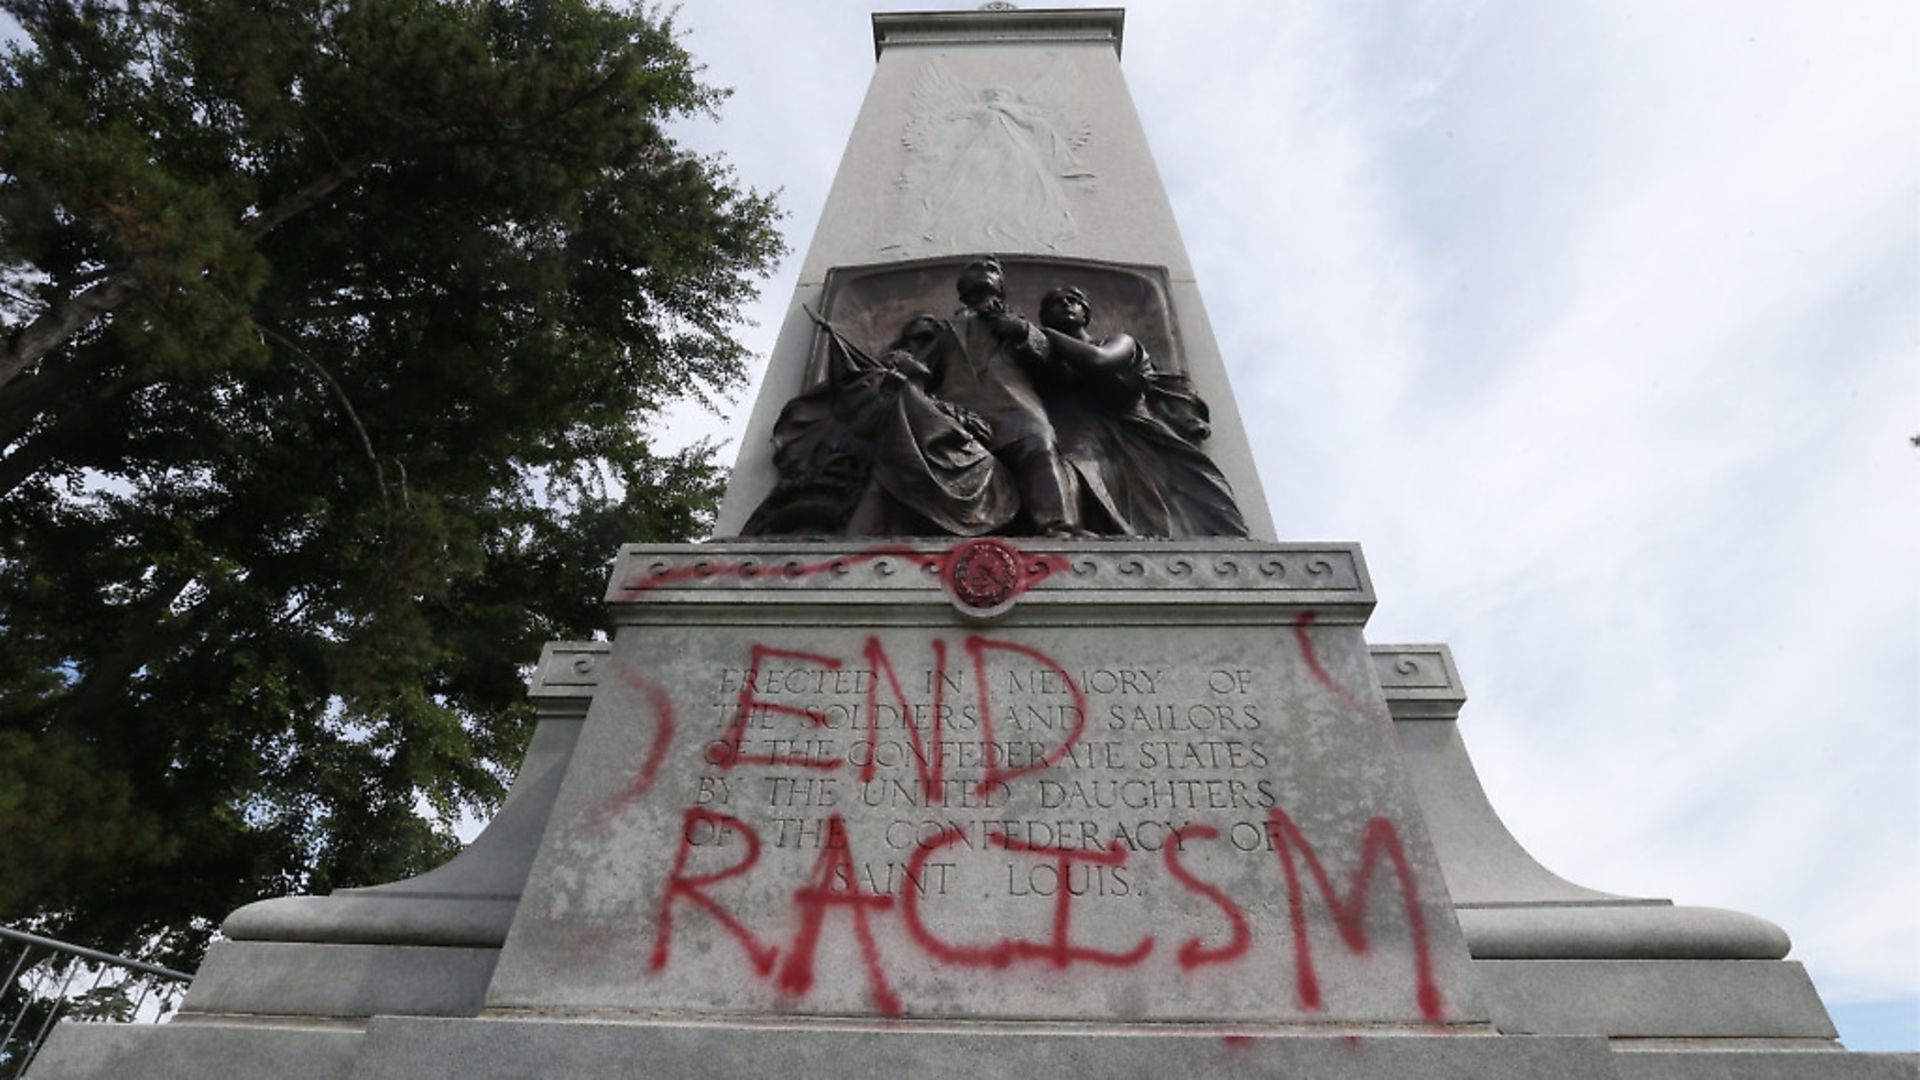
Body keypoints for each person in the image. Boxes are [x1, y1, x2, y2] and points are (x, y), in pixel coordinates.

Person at [1036, 285, 1250, 539]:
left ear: (1086, 313)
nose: (1064, 305)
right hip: (1089, 438)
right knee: (1074, 464)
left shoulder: (1121, 342)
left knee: (1193, 502)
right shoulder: (1048, 365)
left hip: (1140, 436)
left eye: (1072, 300)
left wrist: (1045, 334)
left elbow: (1099, 360)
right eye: (1054, 303)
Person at [902, 257, 1084, 538]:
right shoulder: (943, 329)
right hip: (961, 413)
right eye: (975, 268)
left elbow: (1054, 368)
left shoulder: (1020, 324)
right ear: (961, 289)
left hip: (1017, 409)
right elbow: (919, 372)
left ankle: (1059, 527)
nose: (984, 272)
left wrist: (1024, 333)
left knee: (1040, 448)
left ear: (1002, 286)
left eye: (992, 269)